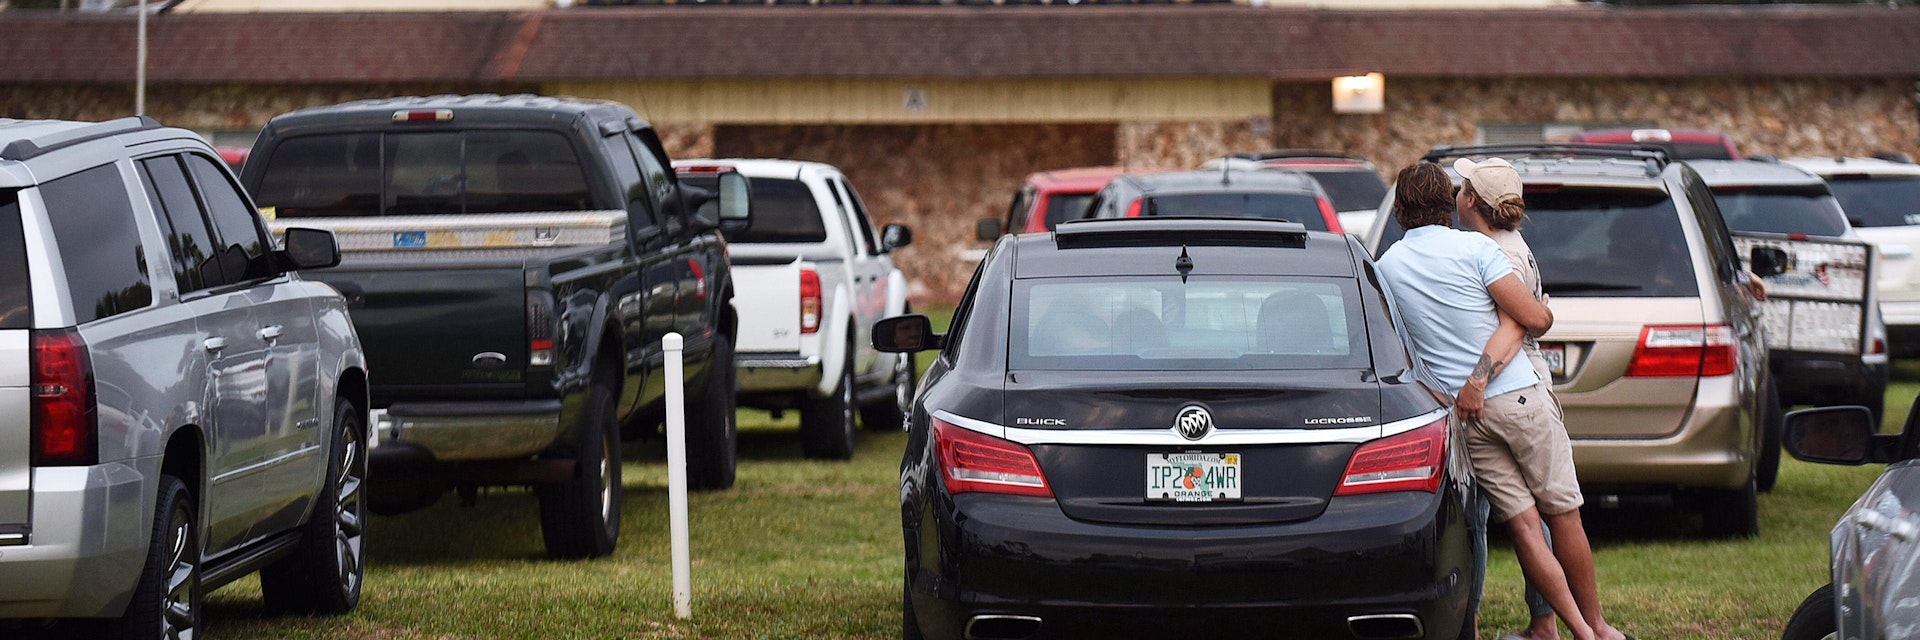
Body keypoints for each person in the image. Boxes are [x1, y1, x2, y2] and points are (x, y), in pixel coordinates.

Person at [1376, 161, 1624, 640]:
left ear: (1401, 211)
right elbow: (1533, 318)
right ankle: (1596, 628)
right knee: (1563, 514)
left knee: (1525, 529)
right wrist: (1546, 307)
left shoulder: (1385, 268)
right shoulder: (1477, 249)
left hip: (1465, 416)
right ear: (1449, 203)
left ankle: (1573, 628)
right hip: (1520, 398)